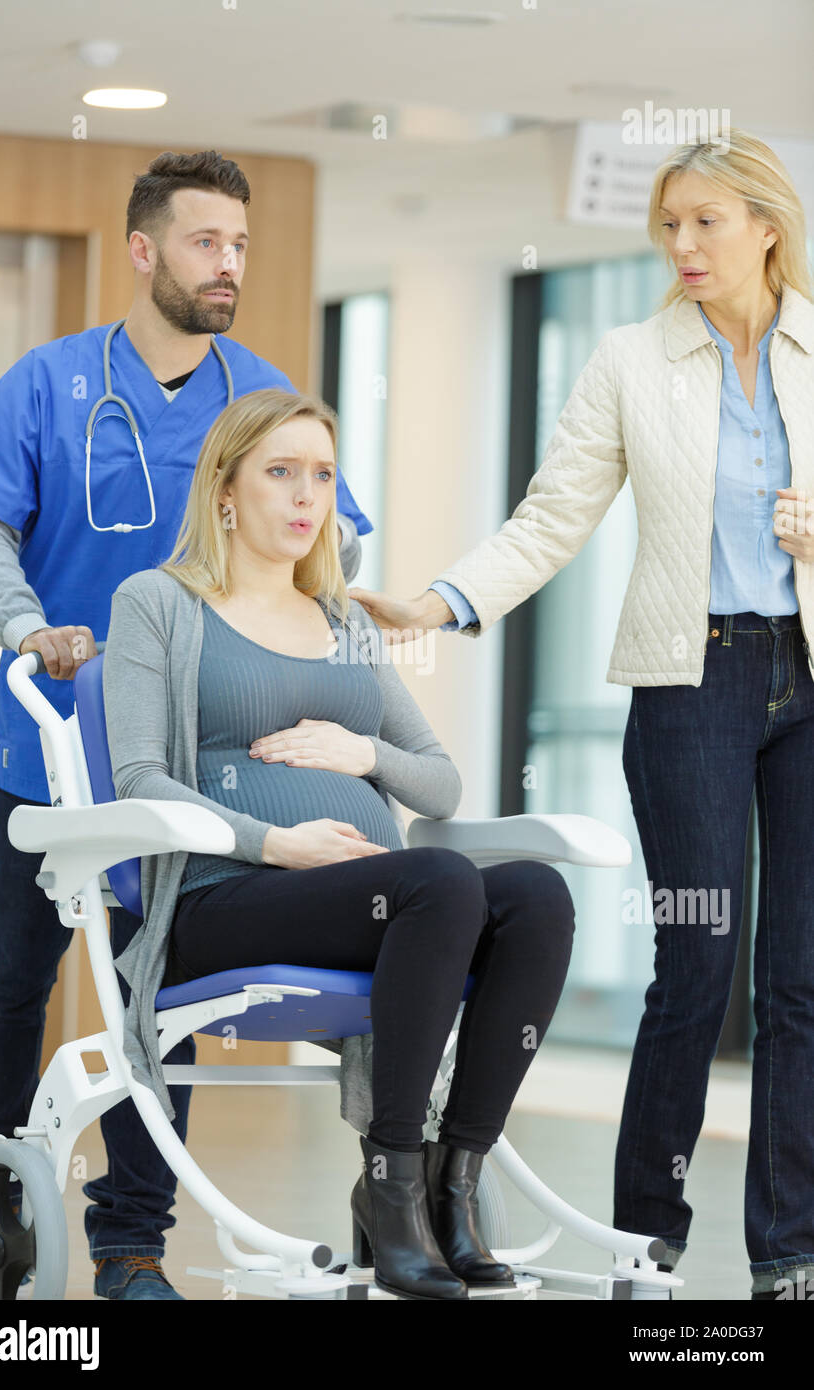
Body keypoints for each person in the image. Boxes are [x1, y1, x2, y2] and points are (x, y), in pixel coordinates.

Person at [348, 128, 814, 1301]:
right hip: (687, 681)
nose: (682, 245)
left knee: (800, 980)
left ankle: (788, 1253)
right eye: (667, 225)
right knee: (696, 960)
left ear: (765, 224)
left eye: (705, 221)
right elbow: (551, 516)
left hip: (804, 681)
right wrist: (440, 602)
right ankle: (643, 1244)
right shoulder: (628, 358)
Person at [0, 149, 370, 1300]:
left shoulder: (263, 394)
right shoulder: (49, 383)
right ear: (143, 252)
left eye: (238, 244)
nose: (227, 263)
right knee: (11, 979)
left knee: (157, 994)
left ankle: (131, 1246)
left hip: (200, 762)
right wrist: (29, 627)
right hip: (56, 741)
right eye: (203, 242)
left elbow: (325, 542)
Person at [101, 385, 577, 1302]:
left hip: (369, 901)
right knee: (440, 882)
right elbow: (140, 780)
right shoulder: (157, 604)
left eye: (321, 474)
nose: (305, 496)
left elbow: (439, 782)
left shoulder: (345, 622)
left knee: (537, 897)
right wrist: (278, 844)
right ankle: (391, 1182)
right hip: (220, 900)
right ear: (226, 491)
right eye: (280, 473)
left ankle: (451, 1181)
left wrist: (362, 751)